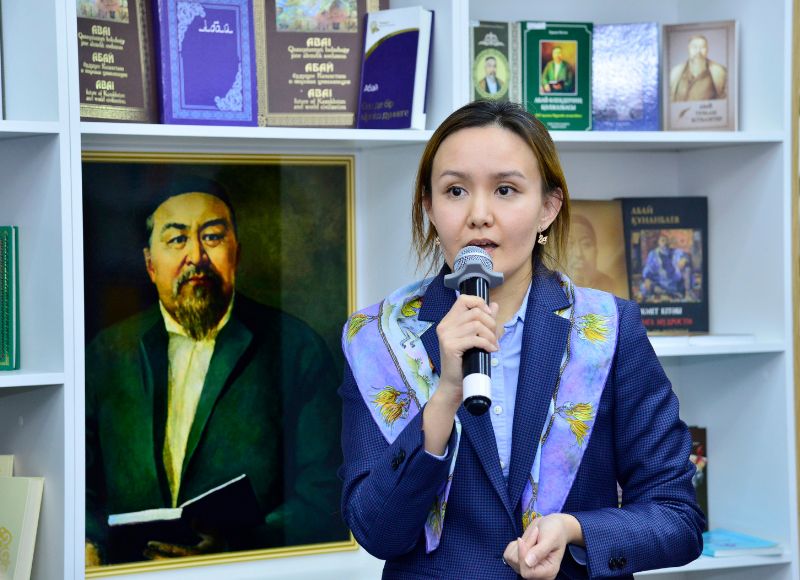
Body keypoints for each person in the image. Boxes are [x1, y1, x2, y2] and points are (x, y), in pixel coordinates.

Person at [339, 101, 703, 579]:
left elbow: (677, 517)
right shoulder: (378, 338)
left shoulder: (608, 329)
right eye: (455, 191)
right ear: (429, 207)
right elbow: (377, 533)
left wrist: (575, 530)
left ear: (548, 208)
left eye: (505, 190)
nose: (479, 215)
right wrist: (445, 396)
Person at [85, 178, 345, 565]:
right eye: (177, 239)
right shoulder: (109, 352)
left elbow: (324, 494)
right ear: (150, 264)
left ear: (236, 253)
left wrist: (234, 547)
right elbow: (80, 480)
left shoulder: (296, 348)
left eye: (212, 237)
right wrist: (89, 544)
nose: (196, 256)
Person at [566, 213, 617, 294]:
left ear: (596, 251)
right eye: (570, 244)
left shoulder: (611, 286)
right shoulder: (552, 287)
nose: (578, 254)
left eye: (586, 244)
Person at [669, 35, 728, 102]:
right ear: (688, 49)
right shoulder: (674, 73)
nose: (698, 51)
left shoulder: (720, 73)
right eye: (694, 47)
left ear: (707, 50)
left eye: (702, 47)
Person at [640, 233, 695, 301]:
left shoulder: (674, 252)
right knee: (644, 287)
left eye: (667, 241)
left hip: (675, 283)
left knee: (687, 268)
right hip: (660, 283)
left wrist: (684, 259)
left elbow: (686, 256)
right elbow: (648, 268)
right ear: (658, 242)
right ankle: (667, 294)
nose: (665, 243)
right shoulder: (653, 254)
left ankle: (687, 293)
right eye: (663, 240)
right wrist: (647, 279)